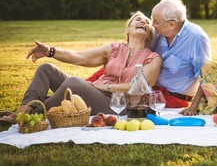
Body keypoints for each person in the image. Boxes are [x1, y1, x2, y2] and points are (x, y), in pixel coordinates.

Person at [0, 12, 162, 125]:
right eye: (138, 19)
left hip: (119, 106)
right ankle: (22, 111)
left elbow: (140, 86)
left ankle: (27, 113)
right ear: (128, 29)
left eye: (147, 22)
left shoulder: (153, 58)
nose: (143, 22)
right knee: (46, 69)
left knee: (75, 83)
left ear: (149, 34)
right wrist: (50, 51)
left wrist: (103, 86)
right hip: (95, 92)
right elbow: (79, 56)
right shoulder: (114, 48)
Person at [150, 0, 211, 108]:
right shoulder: (156, 32)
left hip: (176, 101)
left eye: (156, 21)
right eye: (151, 19)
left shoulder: (196, 37)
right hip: (150, 95)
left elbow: (206, 77)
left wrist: (193, 107)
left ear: (171, 24)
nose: (152, 24)